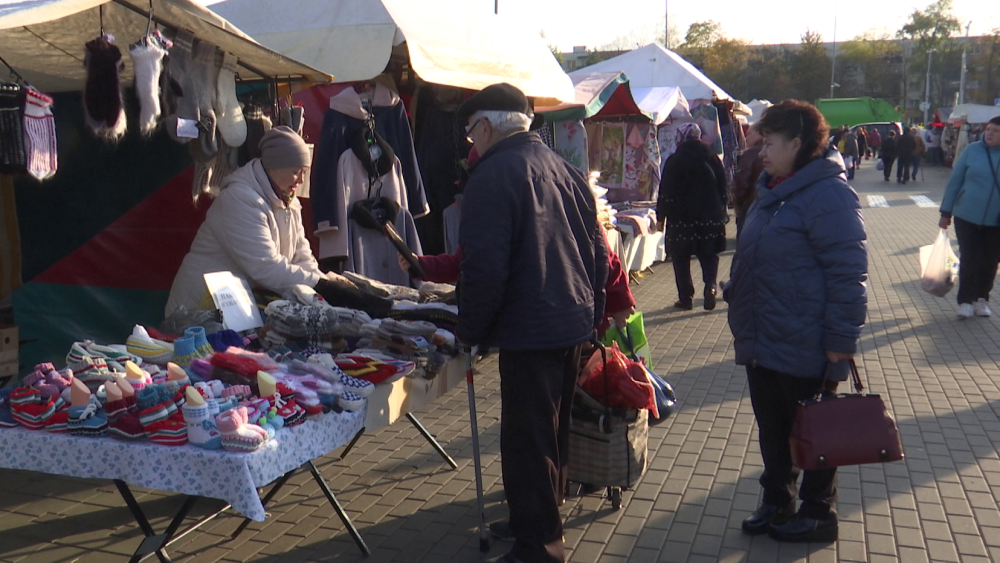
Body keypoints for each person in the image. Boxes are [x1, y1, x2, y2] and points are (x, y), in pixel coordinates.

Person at [455, 83, 608, 563]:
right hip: (570, 317)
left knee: (528, 440)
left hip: (532, 325)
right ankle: (537, 517)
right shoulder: (560, 165)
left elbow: (484, 267)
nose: (469, 142)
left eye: (469, 131)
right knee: (551, 432)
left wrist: (471, 331)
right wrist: (595, 309)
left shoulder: (492, 175)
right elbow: (599, 252)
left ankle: (539, 545)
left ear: (485, 125)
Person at [726, 99, 868, 543]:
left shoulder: (828, 193)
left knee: (816, 428)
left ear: (798, 143)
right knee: (773, 428)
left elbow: (848, 274)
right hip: (763, 333)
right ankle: (777, 500)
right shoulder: (773, 188)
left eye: (768, 142)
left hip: (807, 338)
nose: (760, 150)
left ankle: (818, 512)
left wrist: (841, 341)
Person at [165, 126, 390, 319]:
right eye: (295, 172)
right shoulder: (239, 199)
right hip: (197, 308)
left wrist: (323, 289)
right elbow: (265, 267)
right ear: (274, 166)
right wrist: (323, 286)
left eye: (304, 172)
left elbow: (302, 256)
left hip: (231, 310)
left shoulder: (288, 201)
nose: (301, 180)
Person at [658, 123, 728, 311]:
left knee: (681, 258)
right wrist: (723, 208)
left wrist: (660, 217)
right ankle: (711, 286)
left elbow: (665, 191)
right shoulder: (712, 157)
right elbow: (723, 185)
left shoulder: (674, 160)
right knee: (709, 254)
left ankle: (686, 298)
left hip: (680, 217)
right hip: (710, 215)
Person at [937, 116, 1000, 319]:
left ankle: (981, 299)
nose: (989, 133)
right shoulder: (972, 151)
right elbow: (955, 182)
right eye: (988, 129)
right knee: (970, 258)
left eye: (996, 131)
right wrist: (946, 212)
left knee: (990, 261)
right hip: (967, 215)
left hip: (996, 220)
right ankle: (965, 301)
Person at [733, 123, 765, 240]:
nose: (746, 138)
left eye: (749, 134)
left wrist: (738, 203)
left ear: (759, 134)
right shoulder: (773, 151)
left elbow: (742, 180)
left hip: (749, 202)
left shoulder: (751, 153)